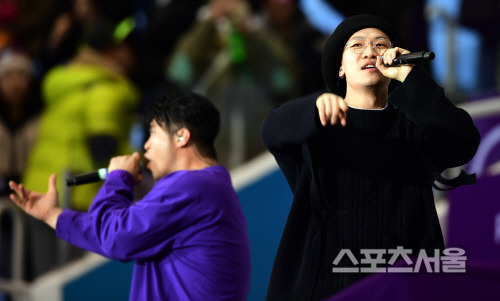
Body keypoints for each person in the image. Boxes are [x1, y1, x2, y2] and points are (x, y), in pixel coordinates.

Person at [261, 14, 480, 300]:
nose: (370, 52)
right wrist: (312, 108)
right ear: (340, 67)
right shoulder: (317, 125)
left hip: (403, 284)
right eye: (356, 46)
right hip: (324, 285)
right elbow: (272, 130)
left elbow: (463, 140)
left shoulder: (413, 128)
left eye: (380, 45)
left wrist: (411, 78)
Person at [8, 92, 252, 300]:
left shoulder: (193, 185)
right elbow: (118, 235)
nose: (145, 146)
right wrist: (54, 215)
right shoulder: (205, 187)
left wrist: (117, 179)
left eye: (153, 133)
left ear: (181, 136)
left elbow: (117, 238)